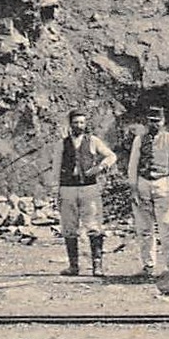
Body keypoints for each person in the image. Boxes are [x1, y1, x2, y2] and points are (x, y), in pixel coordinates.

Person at [127, 105, 169, 278]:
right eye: (151, 121)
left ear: (163, 122)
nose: (154, 124)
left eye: (158, 121)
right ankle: (148, 266)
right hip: (142, 184)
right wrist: (133, 188)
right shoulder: (139, 139)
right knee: (144, 229)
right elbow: (133, 164)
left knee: (167, 227)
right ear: (147, 121)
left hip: (163, 183)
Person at [58, 110, 116, 274]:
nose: (79, 126)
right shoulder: (62, 143)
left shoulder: (93, 141)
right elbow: (56, 167)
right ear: (70, 124)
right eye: (75, 122)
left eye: (81, 122)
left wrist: (99, 168)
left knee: (93, 225)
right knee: (69, 226)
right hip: (67, 188)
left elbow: (111, 156)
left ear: (86, 124)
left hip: (89, 188)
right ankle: (73, 266)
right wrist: (57, 188)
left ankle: (97, 266)